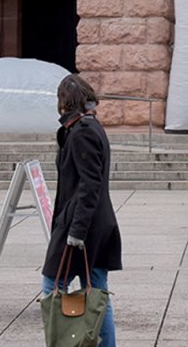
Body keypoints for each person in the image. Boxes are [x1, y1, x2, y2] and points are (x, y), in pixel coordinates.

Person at [41, 74, 120, 347]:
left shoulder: (83, 131)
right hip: (94, 222)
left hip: (82, 224)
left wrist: (76, 232)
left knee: (53, 285)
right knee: (96, 291)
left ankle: (66, 341)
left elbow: (89, 185)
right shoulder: (89, 126)